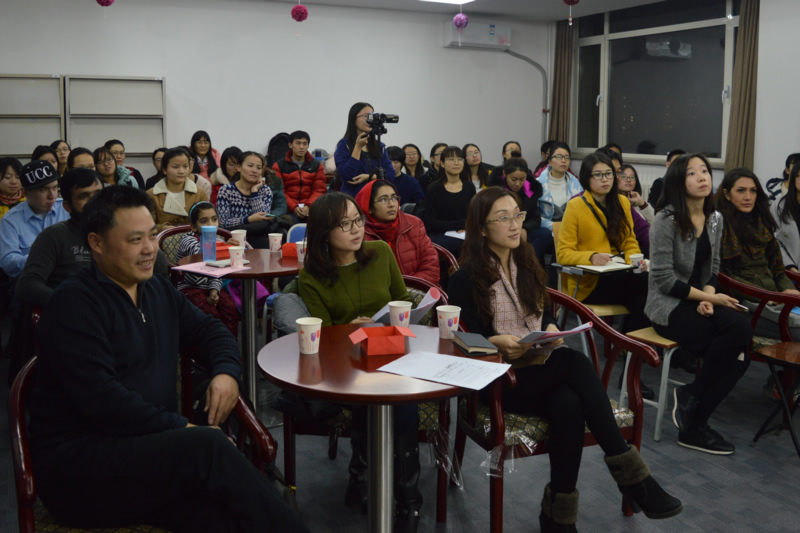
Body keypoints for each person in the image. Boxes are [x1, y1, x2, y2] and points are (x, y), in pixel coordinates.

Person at [27, 185, 308, 532]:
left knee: (228, 515)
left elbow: (212, 331)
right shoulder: (74, 303)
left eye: (151, 235)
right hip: (82, 469)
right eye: (135, 240)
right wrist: (183, 430)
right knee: (209, 448)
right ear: (96, 243)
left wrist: (226, 373)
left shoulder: (157, 290)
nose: (150, 249)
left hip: (147, 455)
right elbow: (104, 402)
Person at [448, 187, 682, 531]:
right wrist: (496, 342)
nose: (514, 224)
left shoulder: (525, 261)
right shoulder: (465, 277)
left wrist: (551, 327)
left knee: (569, 404)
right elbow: (463, 337)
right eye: (503, 218)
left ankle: (557, 518)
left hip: (539, 366)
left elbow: (542, 313)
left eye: (517, 215)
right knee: (575, 363)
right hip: (499, 379)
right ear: (482, 228)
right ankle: (634, 479)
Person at [298, 192, 422, 532]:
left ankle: (403, 499)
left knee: (399, 398)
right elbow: (323, 339)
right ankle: (378, 485)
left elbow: (402, 302)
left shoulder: (380, 253)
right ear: (324, 233)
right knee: (381, 398)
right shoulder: (312, 277)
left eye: (358, 220)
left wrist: (391, 322)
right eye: (345, 224)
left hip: (390, 353)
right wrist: (350, 331)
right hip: (345, 366)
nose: (356, 230)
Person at [647, 153, 752, 455]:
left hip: (697, 300)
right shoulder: (665, 220)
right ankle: (694, 425)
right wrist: (709, 298)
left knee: (741, 347)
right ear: (678, 182)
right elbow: (663, 280)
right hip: (667, 306)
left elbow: (713, 267)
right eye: (691, 173)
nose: (702, 177)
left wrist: (707, 295)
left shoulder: (715, 218)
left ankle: (692, 402)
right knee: (734, 347)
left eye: (704, 170)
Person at [17, 167, 169, 308]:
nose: (94, 202)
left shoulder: (126, 233)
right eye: (84, 196)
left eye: (98, 194)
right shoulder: (54, 236)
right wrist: (74, 304)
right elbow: (27, 285)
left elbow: (161, 282)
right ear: (67, 206)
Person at [556, 152, 650, 333]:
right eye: (598, 175)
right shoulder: (576, 206)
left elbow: (630, 241)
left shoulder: (622, 202)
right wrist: (591, 257)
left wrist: (636, 263)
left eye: (608, 174)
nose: (605, 179)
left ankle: (629, 344)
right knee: (645, 286)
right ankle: (632, 344)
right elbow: (563, 253)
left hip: (620, 274)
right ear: (587, 178)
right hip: (589, 282)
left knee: (642, 297)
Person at [716, 168, 800, 339]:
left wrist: (790, 292)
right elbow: (724, 277)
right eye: (741, 191)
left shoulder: (762, 222)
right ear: (726, 194)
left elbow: (778, 270)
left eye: (753, 191)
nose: (748, 197)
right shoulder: (719, 226)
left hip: (773, 298)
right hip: (746, 303)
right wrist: (770, 297)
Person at [175, 201, 240, 337]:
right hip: (190, 288)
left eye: (214, 219)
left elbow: (218, 272)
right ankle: (211, 346)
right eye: (204, 221)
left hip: (211, 286)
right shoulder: (188, 241)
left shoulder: (218, 240)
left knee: (230, 309)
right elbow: (200, 256)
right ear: (194, 226)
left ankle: (229, 345)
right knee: (211, 315)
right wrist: (222, 247)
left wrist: (214, 290)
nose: (211, 224)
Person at [355, 179, 438, 284]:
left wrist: (407, 288)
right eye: (383, 200)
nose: (391, 204)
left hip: (418, 288)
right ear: (369, 207)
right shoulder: (359, 232)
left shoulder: (413, 223)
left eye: (394, 198)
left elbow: (431, 265)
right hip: (380, 292)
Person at [0, 160, 69, 279]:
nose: (52, 195)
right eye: (43, 190)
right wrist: (43, 257)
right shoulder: (10, 221)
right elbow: (8, 262)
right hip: (30, 279)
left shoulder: (67, 209)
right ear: (26, 193)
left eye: (55, 188)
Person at [423, 146, 476, 258]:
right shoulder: (434, 189)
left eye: (460, 159)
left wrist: (467, 226)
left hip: (466, 232)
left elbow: (474, 214)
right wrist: (460, 224)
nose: (456, 163)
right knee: (466, 245)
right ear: (442, 163)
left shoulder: (469, 186)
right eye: (451, 159)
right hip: (441, 234)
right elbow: (432, 223)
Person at [334, 102, 395, 197]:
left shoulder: (379, 146)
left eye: (372, 116)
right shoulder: (344, 145)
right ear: (354, 120)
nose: (370, 120)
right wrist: (357, 147)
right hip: (353, 198)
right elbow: (348, 176)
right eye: (365, 116)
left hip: (376, 197)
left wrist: (369, 177)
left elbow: (391, 175)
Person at [596, 147, 650, 255]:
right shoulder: (577, 203)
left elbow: (643, 231)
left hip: (620, 259)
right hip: (591, 261)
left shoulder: (622, 202)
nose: (618, 178)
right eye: (609, 172)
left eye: (618, 172)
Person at [217, 151, 274, 249]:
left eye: (258, 168)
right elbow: (223, 223)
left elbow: (262, 221)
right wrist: (248, 219)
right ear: (238, 167)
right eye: (250, 166)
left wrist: (254, 192)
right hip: (234, 240)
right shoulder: (226, 191)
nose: (254, 170)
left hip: (258, 239)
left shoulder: (265, 191)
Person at [501, 157, 552, 266]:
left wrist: (525, 228)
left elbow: (536, 219)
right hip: (504, 231)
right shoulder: (496, 191)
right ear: (505, 174)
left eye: (522, 179)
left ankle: (527, 263)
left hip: (523, 232)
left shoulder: (530, 190)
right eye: (514, 179)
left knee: (545, 234)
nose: (518, 183)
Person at [147, 147, 209, 231]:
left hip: (193, 238)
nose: (181, 171)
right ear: (165, 170)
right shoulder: (152, 195)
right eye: (175, 167)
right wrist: (162, 228)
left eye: (185, 166)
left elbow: (206, 221)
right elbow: (146, 225)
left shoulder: (199, 193)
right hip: (163, 238)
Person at [273, 131, 327, 222]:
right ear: (290, 145)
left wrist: (308, 206)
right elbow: (280, 192)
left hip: (310, 208)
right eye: (298, 143)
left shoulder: (317, 165)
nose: (301, 147)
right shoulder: (278, 166)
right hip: (288, 209)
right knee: (288, 221)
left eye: (305, 144)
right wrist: (293, 207)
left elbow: (319, 190)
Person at [537, 141, 582, 232]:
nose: (563, 160)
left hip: (571, 230)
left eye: (567, 157)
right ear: (550, 161)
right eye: (558, 157)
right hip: (545, 230)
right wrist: (556, 227)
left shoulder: (577, 185)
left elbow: (581, 213)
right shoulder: (537, 184)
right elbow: (533, 215)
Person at [771, 161, 800, 270]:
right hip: (787, 269)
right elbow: (772, 239)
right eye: (798, 176)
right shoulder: (779, 205)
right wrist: (790, 267)